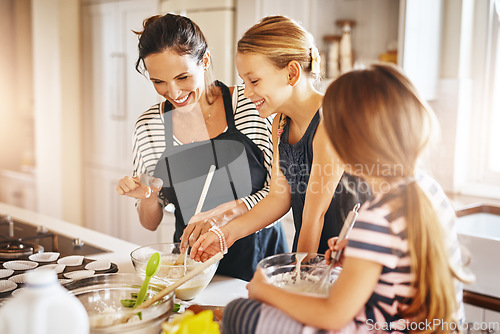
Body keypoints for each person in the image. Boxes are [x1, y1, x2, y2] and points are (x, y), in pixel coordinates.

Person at [222, 63, 468, 334]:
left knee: (238, 311)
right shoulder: (427, 189)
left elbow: (332, 316)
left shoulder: (376, 218)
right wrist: (360, 252)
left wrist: (262, 290)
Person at [116, 13, 288, 282]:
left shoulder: (251, 105)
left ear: (205, 61)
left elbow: (279, 194)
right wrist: (148, 195)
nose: (173, 93)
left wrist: (224, 217)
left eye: (182, 77)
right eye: (158, 82)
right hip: (191, 269)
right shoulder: (149, 126)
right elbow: (149, 223)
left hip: (260, 263)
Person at [190, 15, 368, 263]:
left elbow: (314, 216)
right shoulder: (281, 123)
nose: (247, 91)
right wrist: (225, 234)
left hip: (349, 260)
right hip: (313, 253)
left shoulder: (331, 120)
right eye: (244, 82)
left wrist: (299, 279)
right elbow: (278, 197)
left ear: (291, 73)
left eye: (254, 81)